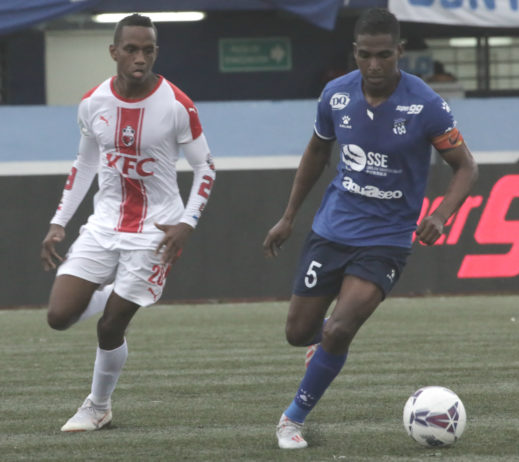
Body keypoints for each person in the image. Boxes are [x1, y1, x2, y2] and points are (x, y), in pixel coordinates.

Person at [263, 8, 477, 450]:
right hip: (331, 230)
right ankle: (322, 340)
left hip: (387, 239)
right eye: (365, 55)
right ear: (355, 53)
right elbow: (317, 153)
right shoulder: (336, 95)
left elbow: (466, 167)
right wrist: (288, 216)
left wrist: (441, 215)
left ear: (400, 51)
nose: (374, 65)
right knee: (298, 333)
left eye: (384, 55)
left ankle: (291, 419)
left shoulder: (426, 106)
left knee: (339, 331)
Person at [40, 13, 215, 432]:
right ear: (113, 52)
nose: (140, 57)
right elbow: (85, 163)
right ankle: (110, 293)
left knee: (111, 326)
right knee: (58, 316)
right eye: (132, 49)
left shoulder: (177, 105)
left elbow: (205, 167)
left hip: (155, 232)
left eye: (148, 50)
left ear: (156, 52)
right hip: (104, 225)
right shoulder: (93, 103)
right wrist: (59, 221)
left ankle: (98, 406)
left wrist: (187, 222)